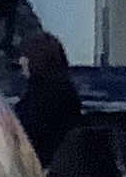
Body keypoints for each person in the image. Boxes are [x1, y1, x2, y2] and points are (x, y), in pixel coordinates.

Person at [11, 32, 83, 164]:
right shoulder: (67, 93)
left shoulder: (39, 100)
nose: (21, 61)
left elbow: (22, 134)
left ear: (35, 60)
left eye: (25, 56)